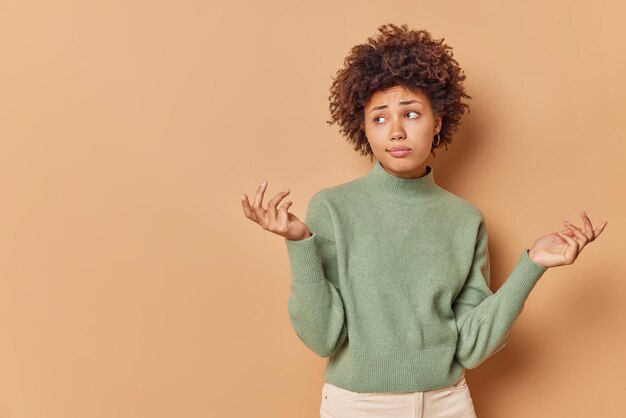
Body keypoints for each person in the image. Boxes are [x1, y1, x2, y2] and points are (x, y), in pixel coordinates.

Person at [240, 23, 607, 418]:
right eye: (379, 118)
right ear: (362, 127)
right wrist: (299, 242)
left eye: (411, 114)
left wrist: (531, 265)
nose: (396, 131)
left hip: (447, 404)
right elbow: (321, 337)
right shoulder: (331, 209)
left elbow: (471, 345)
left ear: (438, 123)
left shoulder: (465, 220)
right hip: (357, 406)